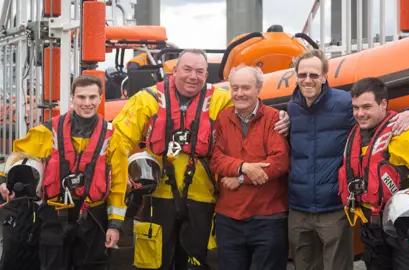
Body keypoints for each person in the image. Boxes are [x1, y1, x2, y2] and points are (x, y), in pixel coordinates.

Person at [112, 48, 290, 270]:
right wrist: (118, 204)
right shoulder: (146, 100)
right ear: (174, 71)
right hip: (156, 199)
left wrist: (284, 116)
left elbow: (252, 108)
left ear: (207, 76)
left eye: (199, 71)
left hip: (202, 200)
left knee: (198, 263)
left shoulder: (222, 100)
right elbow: (118, 145)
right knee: (154, 263)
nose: (192, 76)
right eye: (186, 69)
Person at [287, 49, 409, 270]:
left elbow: (374, 116)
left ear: (324, 76)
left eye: (313, 74)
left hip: (334, 207)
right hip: (298, 208)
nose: (307, 80)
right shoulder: (292, 107)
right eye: (302, 75)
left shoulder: (344, 103)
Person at [0, 75, 128, 270]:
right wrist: (4, 180)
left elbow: (119, 185)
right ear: (72, 98)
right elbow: (17, 155)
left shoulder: (114, 138)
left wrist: (114, 226)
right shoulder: (47, 131)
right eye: (82, 97)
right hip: (53, 215)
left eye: (92, 97)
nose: (87, 103)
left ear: (101, 98)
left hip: (93, 217)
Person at [338, 77, 409, 270]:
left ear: (383, 104)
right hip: (373, 231)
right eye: (355, 108)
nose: (360, 113)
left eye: (366, 107)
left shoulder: (406, 134)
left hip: (408, 228)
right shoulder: (356, 138)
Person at [209, 66, 290, 270]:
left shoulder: (274, 119)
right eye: (235, 88)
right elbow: (216, 159)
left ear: (258, 89)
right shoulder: (223, 118)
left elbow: (279, 162)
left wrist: (240, 178)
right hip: (229, 219)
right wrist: (243, 167)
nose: (239, 93)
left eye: (246, 88)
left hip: (268, 218)